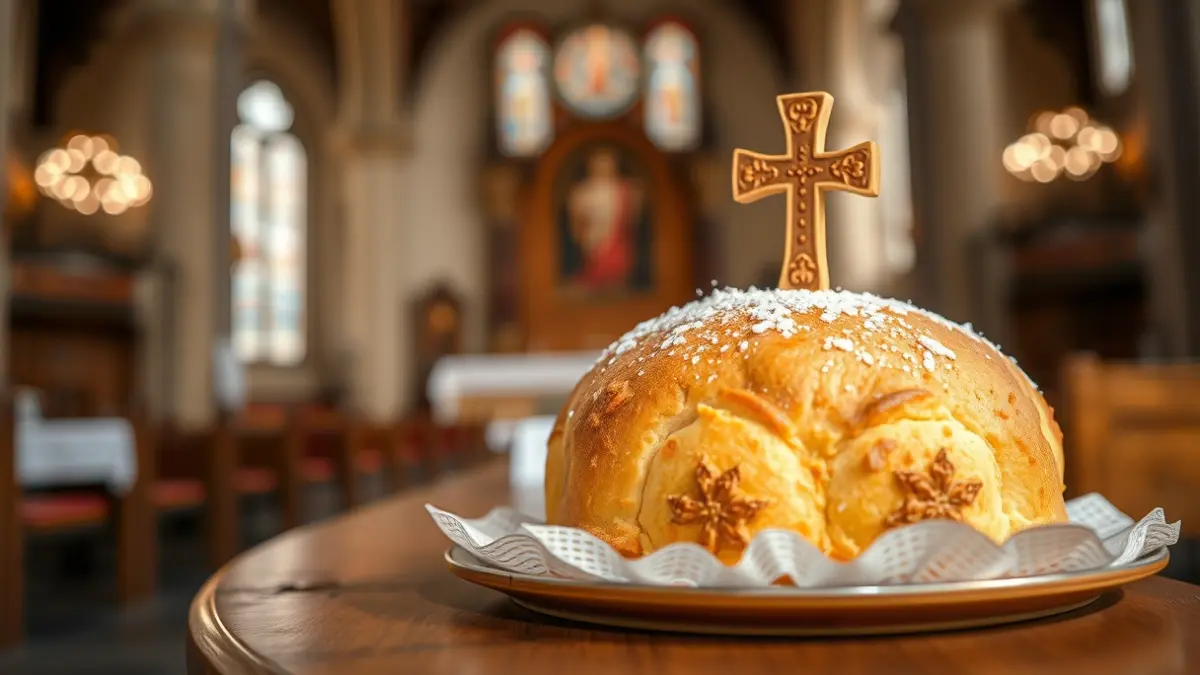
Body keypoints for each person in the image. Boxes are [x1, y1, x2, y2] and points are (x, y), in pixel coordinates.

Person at [566, 148, 643, 291]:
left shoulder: (626, 189)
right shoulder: (582, 191)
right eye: (599, 164)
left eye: (607, 163)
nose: (604, 167)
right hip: (592, 243)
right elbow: (576, 223)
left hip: (617, 244)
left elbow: (632, 220)